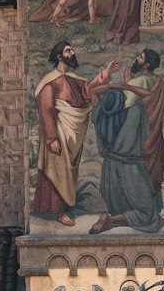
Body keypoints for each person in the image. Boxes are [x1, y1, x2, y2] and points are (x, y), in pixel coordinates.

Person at [32, 41, 116, 227]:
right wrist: (52, 138)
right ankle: (59, 212)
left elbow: (89, 89)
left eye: (72, 49)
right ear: (59, 56)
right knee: (56, 170)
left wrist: (107, 72)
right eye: (68, 51)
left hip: (72, 136)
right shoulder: (49, 82)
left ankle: (65, 208)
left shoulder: (74, 78)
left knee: (67, 173)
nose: (73, 52)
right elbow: (46, 110)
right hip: (58, 133)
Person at [89, 49, 164, 234]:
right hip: (130, 167)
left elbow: (93, 92)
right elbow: (147, 96)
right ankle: (109, 219)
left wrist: (113, 86)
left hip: (110, 170)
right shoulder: (137, 111)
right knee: (149, 215)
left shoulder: (101, 115)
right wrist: (128, 85)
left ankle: (111, 217)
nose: (136, 58)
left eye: (140, 56)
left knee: (126, 208)